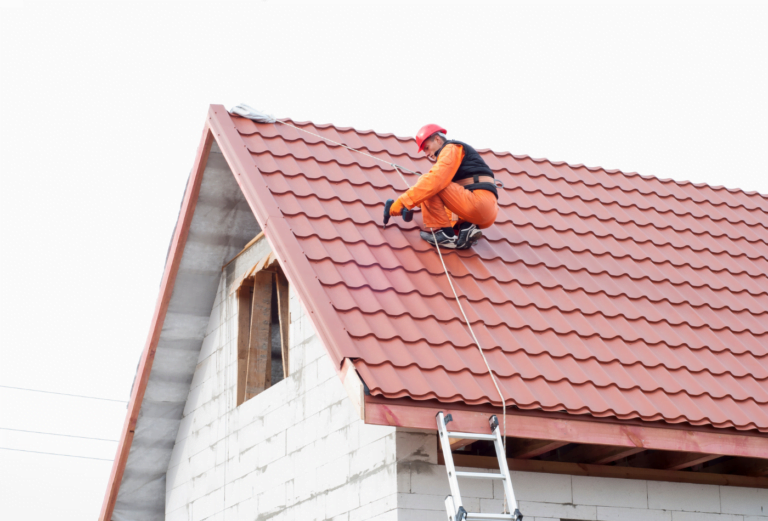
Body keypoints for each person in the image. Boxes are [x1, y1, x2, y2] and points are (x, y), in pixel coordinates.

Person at [388, 124, 499, 249]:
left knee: (429, 182)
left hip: (477, 203)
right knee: (431, 188)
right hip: (487, 211)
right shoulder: (457, 155)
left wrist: (402, 202)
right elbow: (447, 196)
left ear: (437, 139)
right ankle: (467, 228)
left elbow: (434, 181)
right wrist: (415, 204)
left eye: (427, 148)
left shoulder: (450, 148)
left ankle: (446, 235)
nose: (426, 154)